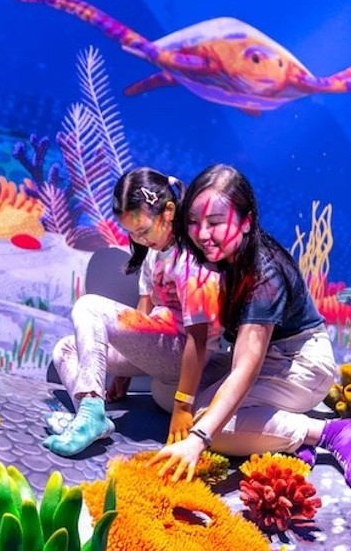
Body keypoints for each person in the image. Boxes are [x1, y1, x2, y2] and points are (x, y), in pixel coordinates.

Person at [150, 164, 351, 488]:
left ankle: (325, 433)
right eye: (193, 222)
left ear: (246, 221)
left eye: (216, 223)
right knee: (164, 393)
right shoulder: (213, 254)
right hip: (267, 360)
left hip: (301, 364)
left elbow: (245, 371)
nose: (202, 234)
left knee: (202, 421)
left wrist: (198, 439)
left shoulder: (264, 275)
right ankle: (275, 442)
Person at [46, 167, 225, 456]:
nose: (139, 240)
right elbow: (143, 314)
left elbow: (199, 338)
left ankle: (91, 411)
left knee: (88, 305)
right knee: (65, 350)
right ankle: (91, 417)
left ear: (168, 212)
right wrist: (123, 374)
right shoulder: (154, 254)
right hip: (161, 349)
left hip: (188, 356)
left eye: (143, 230)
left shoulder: (191, 260)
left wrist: (183, 404)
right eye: (132, 234)